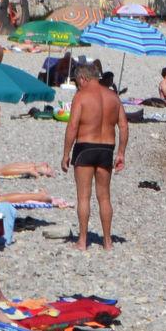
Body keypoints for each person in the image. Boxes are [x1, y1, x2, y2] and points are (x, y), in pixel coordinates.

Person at [62, 60, 127, 250]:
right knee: (104, 197)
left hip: (85, 147)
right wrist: (121, 152)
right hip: (107, 148)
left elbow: (72, 126)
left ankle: (82, 241)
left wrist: (66, 153)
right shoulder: (113, 96)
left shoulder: (81, 96)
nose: (76, 85)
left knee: (83, 196)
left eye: (76, 81)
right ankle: (107, 241)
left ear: (83, 78)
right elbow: (123, 126)